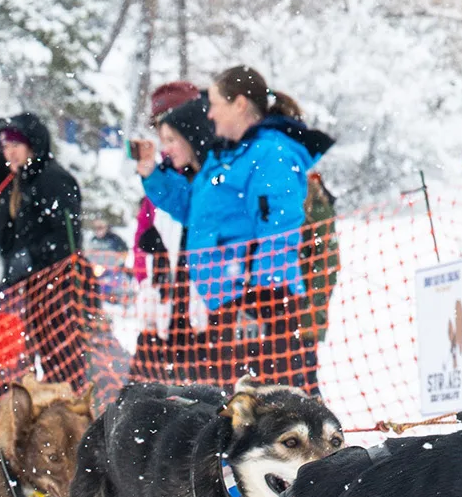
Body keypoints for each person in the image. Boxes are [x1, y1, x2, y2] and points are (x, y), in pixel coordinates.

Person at [134, 66, 333, 390]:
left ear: (239, 105)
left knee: (277, 409)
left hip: (259, 306)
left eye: (215, 104)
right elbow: (194, 211)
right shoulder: (226, 156)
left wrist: (260, 302)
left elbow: (277, 232)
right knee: (237, 414)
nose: (210, 114)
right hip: (224, 300)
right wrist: (152, 176)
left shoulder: (271, 153)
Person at [129, 90, 215, 383]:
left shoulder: (208, 171)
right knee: (148, 383)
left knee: (199, 384)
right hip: (166, 291)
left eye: (168, 130)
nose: (164, 142)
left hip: (200, 297)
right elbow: (143, 232)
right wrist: (144, 277)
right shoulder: (168, 170)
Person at [0, 113, 84, 284]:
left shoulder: (53, 179)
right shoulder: (20, 181)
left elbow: (67, 235)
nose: (10, 153)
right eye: (5, 147)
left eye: (16, 145)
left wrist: (31, 257)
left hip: (62, 284)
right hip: (35, 286)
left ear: (32, 145)